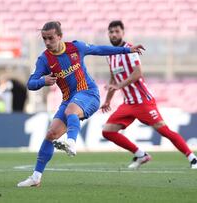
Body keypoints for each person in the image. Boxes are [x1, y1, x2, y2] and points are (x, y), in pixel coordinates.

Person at [17, 21, 145, 187]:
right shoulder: (44, 60)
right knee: (51, 134)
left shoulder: (76, 47)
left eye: (51, 38)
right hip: (69, 99)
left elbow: (100, 50)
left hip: (89, 94)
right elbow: (30, 83)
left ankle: (71, 142)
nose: (47, 42)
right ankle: (36, 177)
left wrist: (127, 49)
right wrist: (42, 81)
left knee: (72, 110)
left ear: (60, 36)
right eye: (44, 39)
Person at [101, 20, 197, 169]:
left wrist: (119, 85)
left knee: (164, 130)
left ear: (123, 33)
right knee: (107, 131)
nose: (114, 34)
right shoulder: (109, 55)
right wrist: (107, 101)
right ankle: (141, 155)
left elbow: (138, 74)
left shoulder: (130, 49)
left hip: (143, 102)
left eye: (116, 31)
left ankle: (193, 158)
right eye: (111, 32)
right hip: (128, 103)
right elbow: (113, 78)